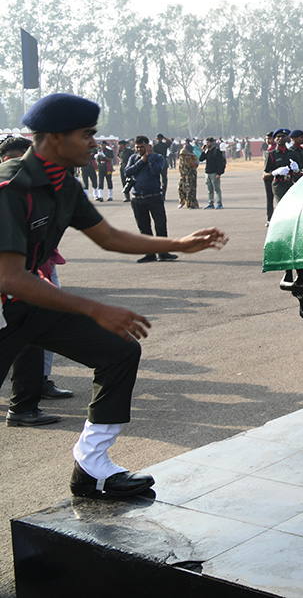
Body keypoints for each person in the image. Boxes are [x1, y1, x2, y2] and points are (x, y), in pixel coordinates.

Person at [0, 93, 228, 497]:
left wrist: (177, 242)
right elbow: (10, 277)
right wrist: (95, 308)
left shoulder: (63, 184)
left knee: (118, 351)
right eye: (86, 134)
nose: (94, 143)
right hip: (9, 301)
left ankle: (92, 467)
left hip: (26, 302)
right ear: (55, 138)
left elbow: (107, 236)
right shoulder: (11, 186)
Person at [1, 136, 74, 428]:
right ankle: (23, 405)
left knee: (30, 340)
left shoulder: (35, 189)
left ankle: (25, 403)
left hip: (28, 279)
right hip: (12, 285)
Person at [124, 136, 176, 263]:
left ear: (148, 146)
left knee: (160, 226)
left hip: (154, 197)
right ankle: (149, 253)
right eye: (137, 147)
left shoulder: (158, 157)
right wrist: (142, 161)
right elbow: (127, 172)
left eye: (142, 147)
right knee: (144, 227)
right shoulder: (133, 158)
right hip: (137, 198)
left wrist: (150, 156)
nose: (139, 149)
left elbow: (156, 171)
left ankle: (163, 253)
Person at [200, 137, 226, 209]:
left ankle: (219, 203)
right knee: (209, 190)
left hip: (214, 173)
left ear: (212, 143)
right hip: (207, 172)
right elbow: (201, 159)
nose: (207, 144)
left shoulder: (217, 151)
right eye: (206, 143)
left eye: (208, 142)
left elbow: (220, 163)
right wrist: (203, 151)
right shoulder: (207, 151)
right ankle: (210, 203)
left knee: (217, 189)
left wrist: (219, 173)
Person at [177, 142, 200, 209]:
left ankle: (191, 204)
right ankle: (182, 201)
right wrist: (182, 175)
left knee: (190, 190)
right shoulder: (181, 159)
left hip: (191, 176)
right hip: (183, 175)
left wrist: (189, 159)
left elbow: (196, 165)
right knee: (180, 188)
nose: (183, 156)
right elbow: (180, 167)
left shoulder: (192, 157)